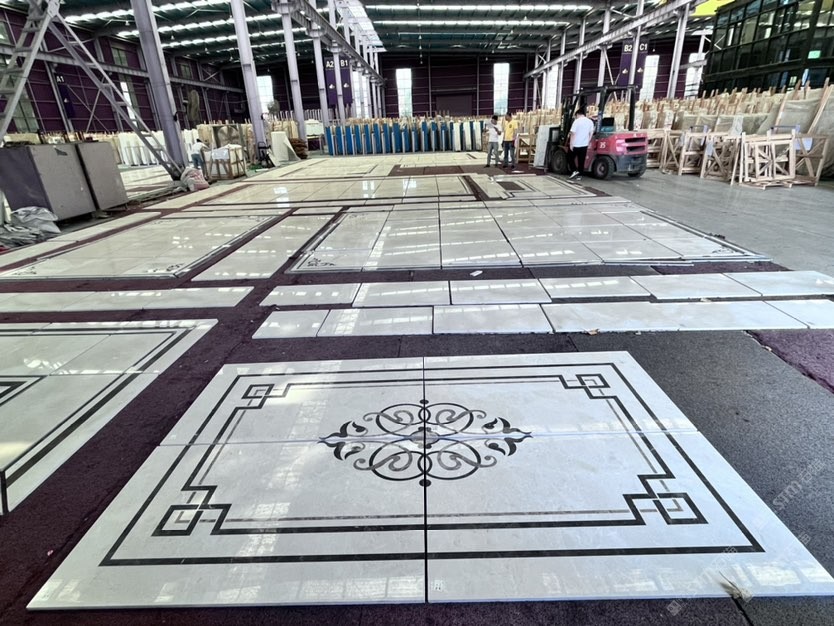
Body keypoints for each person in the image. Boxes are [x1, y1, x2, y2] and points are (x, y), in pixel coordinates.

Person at [568, 108, 595, 180]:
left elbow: (573, 133)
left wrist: (571, 144)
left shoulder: (576, 121)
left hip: (576, 144)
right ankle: (579, 176)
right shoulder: (590, 122)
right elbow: (591, 132)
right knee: (581, 160)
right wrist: (588, 141)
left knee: (570, 158)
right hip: (584, 144)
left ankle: (574, 170)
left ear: (577, 114)